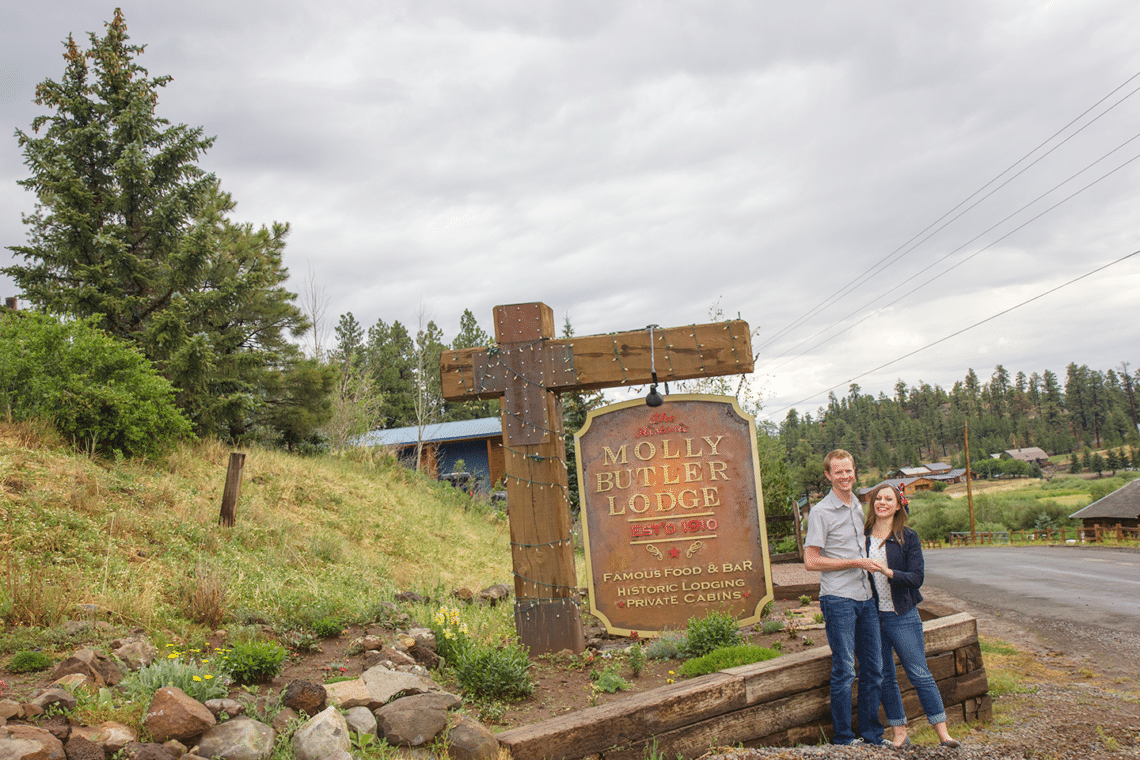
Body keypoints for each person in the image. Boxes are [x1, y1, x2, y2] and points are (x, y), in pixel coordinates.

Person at [864, 482, 961, 749]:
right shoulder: (862, 537)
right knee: (884, 676)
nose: (882, 503)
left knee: (919, 673)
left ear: (898, 505)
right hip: (873, 618)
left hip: (902, 615)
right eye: (878, 499)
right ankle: (899, 734)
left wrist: (888, 572)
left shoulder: (908, 537)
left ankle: (944, 734)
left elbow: (917, 578)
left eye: (888, 499)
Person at [804, 450, 884, 746]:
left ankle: (872, 735)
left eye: (848, 471)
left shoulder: (859, 507)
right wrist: (855, 562)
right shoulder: (821, 512)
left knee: (874, 669)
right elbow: (811, 561)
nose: (845, 476)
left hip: (865, 596)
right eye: (838, 472)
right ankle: (843, 739)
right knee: (845, 670)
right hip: (838, 598)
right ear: (828, 475)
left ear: (855, 471)